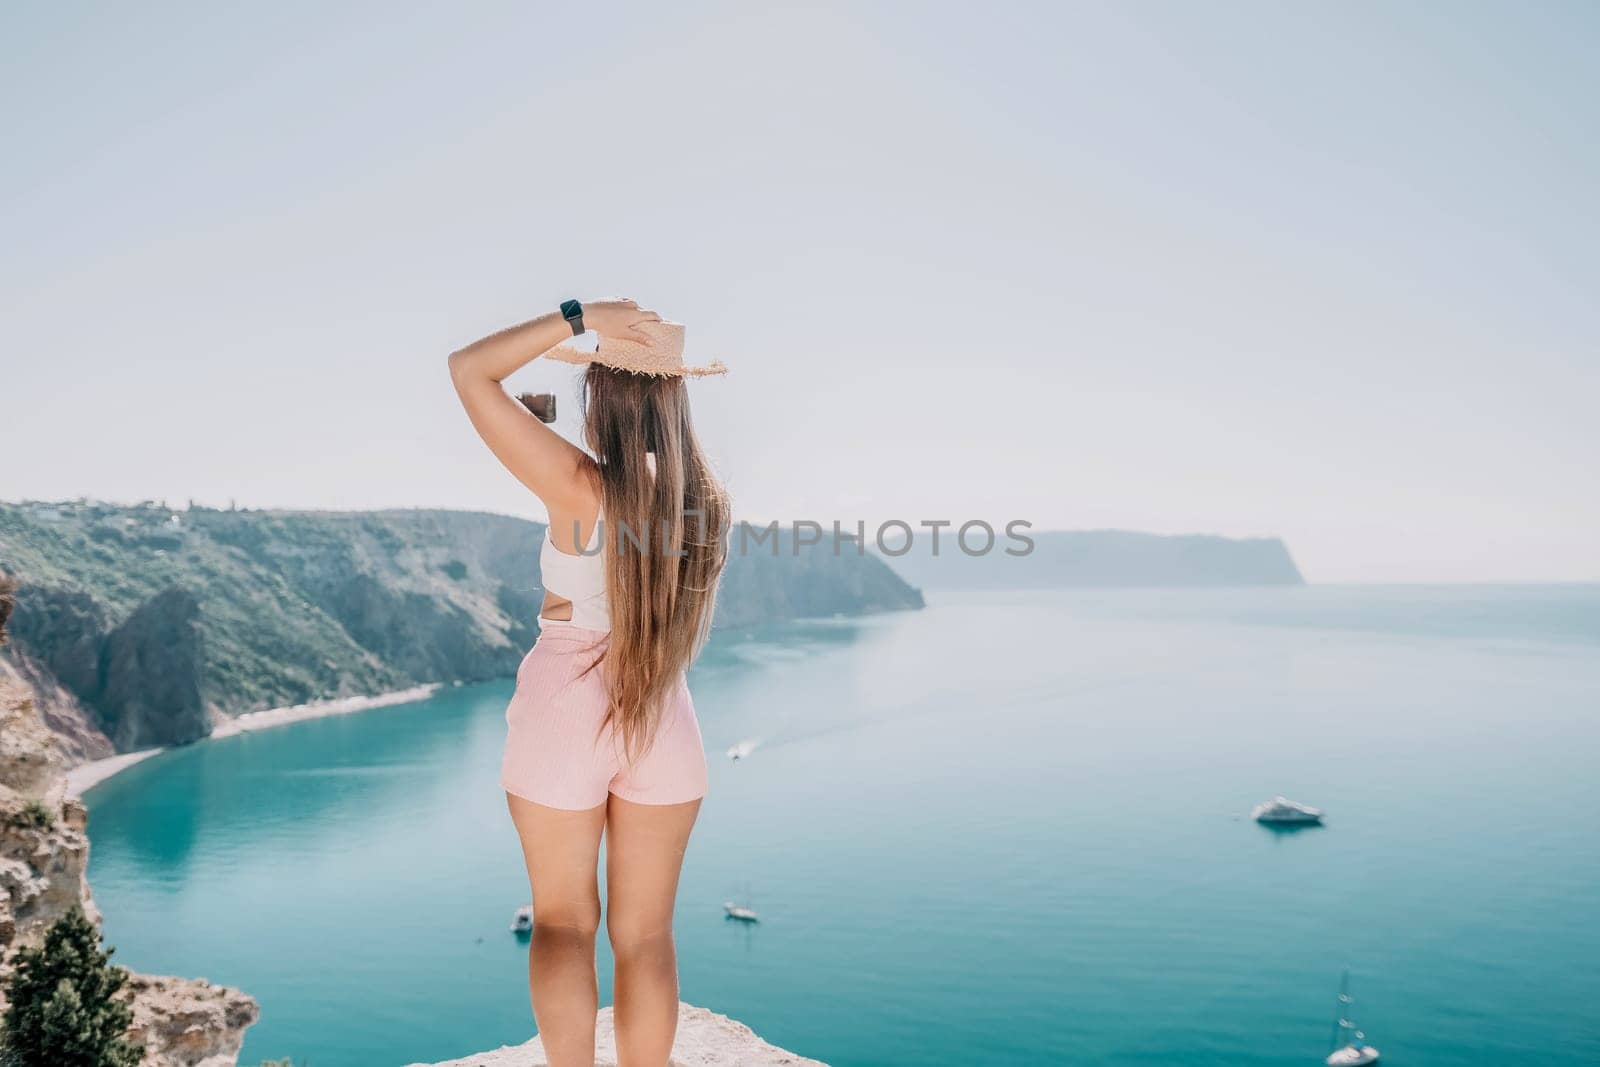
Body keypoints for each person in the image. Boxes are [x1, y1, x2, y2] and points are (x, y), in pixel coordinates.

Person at [448, 298, 730, 1066]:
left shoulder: (576, 483)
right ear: (676, 396)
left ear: (601, 391)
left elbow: (469, 372)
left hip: (565, 708)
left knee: (565, 922)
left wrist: (577, 315)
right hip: (662, 712)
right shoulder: (702, 503)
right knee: (646, 934)